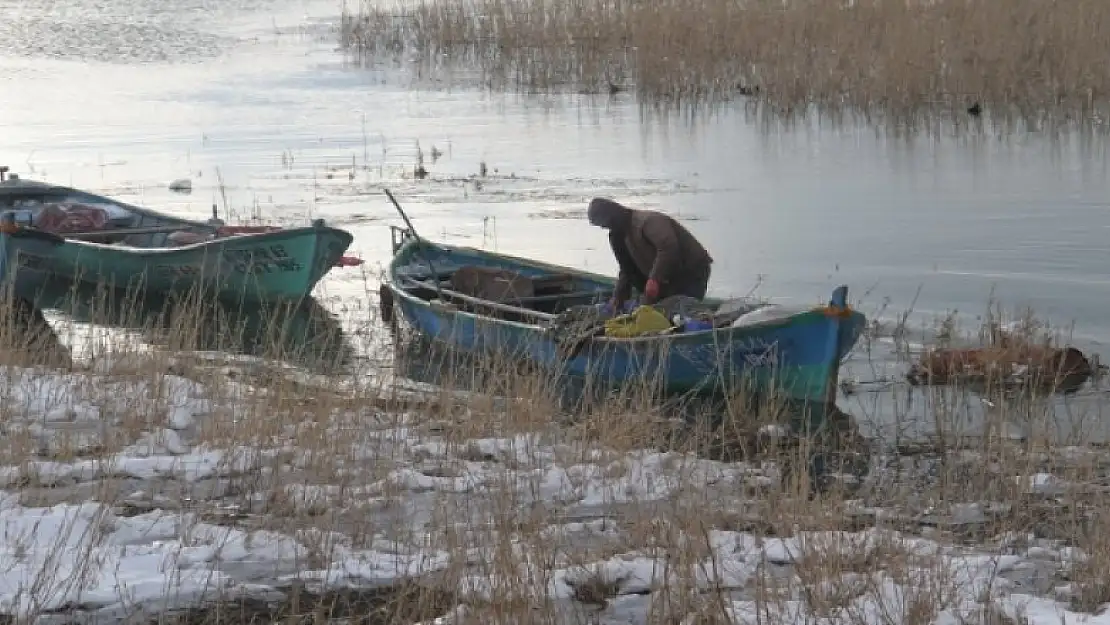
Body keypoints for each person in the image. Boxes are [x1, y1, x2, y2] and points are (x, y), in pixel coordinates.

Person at [586, 197, 713, 312]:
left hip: (691, 271)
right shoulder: (619, 236)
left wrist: (654, 279)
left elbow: (668, 247)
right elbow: (627, 270)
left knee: (682, 311)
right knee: (652, 312)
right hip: (666, 278)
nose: (605, 227)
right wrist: (618, 297)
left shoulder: (647, 222)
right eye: (602, 225)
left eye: (606, 222)